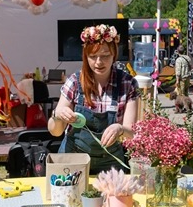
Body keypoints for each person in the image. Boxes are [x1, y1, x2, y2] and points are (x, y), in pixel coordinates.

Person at [48, 24, 138, 174]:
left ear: (114, 54)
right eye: (92, 56)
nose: (98, 62)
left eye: (105, 56)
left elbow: (133, 134)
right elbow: (55, 132)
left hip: (110, 161)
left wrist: (120, 129)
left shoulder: (127, 84)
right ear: (85, 56)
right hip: (73, 158)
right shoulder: (75, 82)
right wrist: (58, 115)